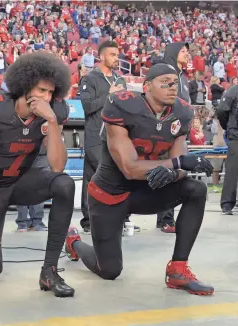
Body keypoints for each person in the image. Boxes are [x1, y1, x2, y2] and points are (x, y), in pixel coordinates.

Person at [65, 64, 214, 296]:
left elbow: (179, 163)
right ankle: (74, 243)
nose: (172, 87)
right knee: (110, 270)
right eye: (164, 82)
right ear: (146, 86)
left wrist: (174, 171)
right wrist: (176, 165)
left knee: (196, 189)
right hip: (110, 195)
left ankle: (178, 269)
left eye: (174, 82)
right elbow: (129, 168)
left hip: (146, 192)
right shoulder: (122, 104)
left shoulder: (181, 112)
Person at [0, 52, 75, 298]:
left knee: (64, 184)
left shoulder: (54, 111)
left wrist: (53, 122)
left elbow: (57, 167)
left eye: (51, 92)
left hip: (22, 182)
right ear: (25, 86)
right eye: (41, 90)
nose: (46, 97)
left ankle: (50, 270)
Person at [79, 41, 138, 234]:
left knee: (114, 174)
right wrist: (109, 95)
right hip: (95, 135)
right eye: (113, 55)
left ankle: (119, 218)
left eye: (117, 55)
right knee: (98, 177)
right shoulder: (90, 78)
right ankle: (91, 220)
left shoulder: (119, 79)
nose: (116, 59)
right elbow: (87, 107)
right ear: (102, 56)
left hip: (115, 135)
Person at [157, 42, 190, 233]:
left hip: (180, 132)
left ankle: (164, 217)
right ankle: (166, 219)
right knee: (169, 171)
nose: (187, 54)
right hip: (166, 130)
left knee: (175, 172)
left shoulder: (183, 78)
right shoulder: (165, 73)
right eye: (183, 51)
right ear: (174, 53)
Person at [217, 85, 238, 215]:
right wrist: (229, 128)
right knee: (232, 170)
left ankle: (228, 204)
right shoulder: (233, 91)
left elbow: (221, 111)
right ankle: (227, 203)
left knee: (232, 169)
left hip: (234, 133)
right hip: (236, 135)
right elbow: (221, 111)